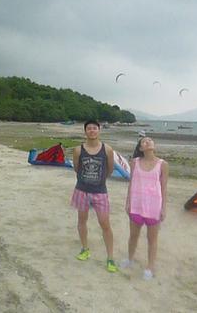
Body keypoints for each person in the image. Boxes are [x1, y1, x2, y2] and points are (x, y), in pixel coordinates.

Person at [71, 120, 117, 272]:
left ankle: (110, 258)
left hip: (100, 192)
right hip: (82, 190)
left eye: (94, 128)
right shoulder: (78, 150)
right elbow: (77, 168)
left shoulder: (107, 149)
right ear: (85, 132)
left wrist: (100, 180)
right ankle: (85, 249)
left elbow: (110, 169)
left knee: (105, 224)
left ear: (99, 131)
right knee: (81, 221)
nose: (92, 131)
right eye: (89, 128)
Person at [122, 137, 169, 280]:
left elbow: (164, 187)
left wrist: (163, 208)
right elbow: (131, 183)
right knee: (133, 235)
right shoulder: (134, 162)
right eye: (144, 141)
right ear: (141, 148)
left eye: (150, 140)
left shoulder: (163, 164)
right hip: (136, 204)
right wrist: (128, 201)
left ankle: (150, 267)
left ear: (154, 145)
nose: (147, 142)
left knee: (152, 239)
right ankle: (129, 259)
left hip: (154, 205)